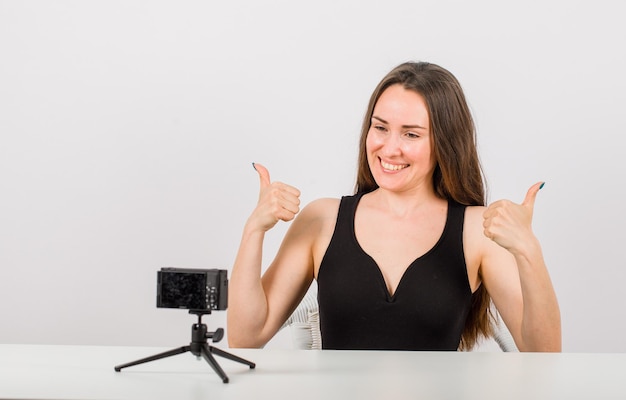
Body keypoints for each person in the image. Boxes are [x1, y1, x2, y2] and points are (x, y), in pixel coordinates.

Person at [227, 61, 561, 352]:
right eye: (380, 127)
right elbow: (246, 337)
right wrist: (253, 229)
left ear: (445, 143)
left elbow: (542, 352)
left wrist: (528, 250)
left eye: (411, 135)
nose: (390, 148)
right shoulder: (321, 219)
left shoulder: (477, 230)